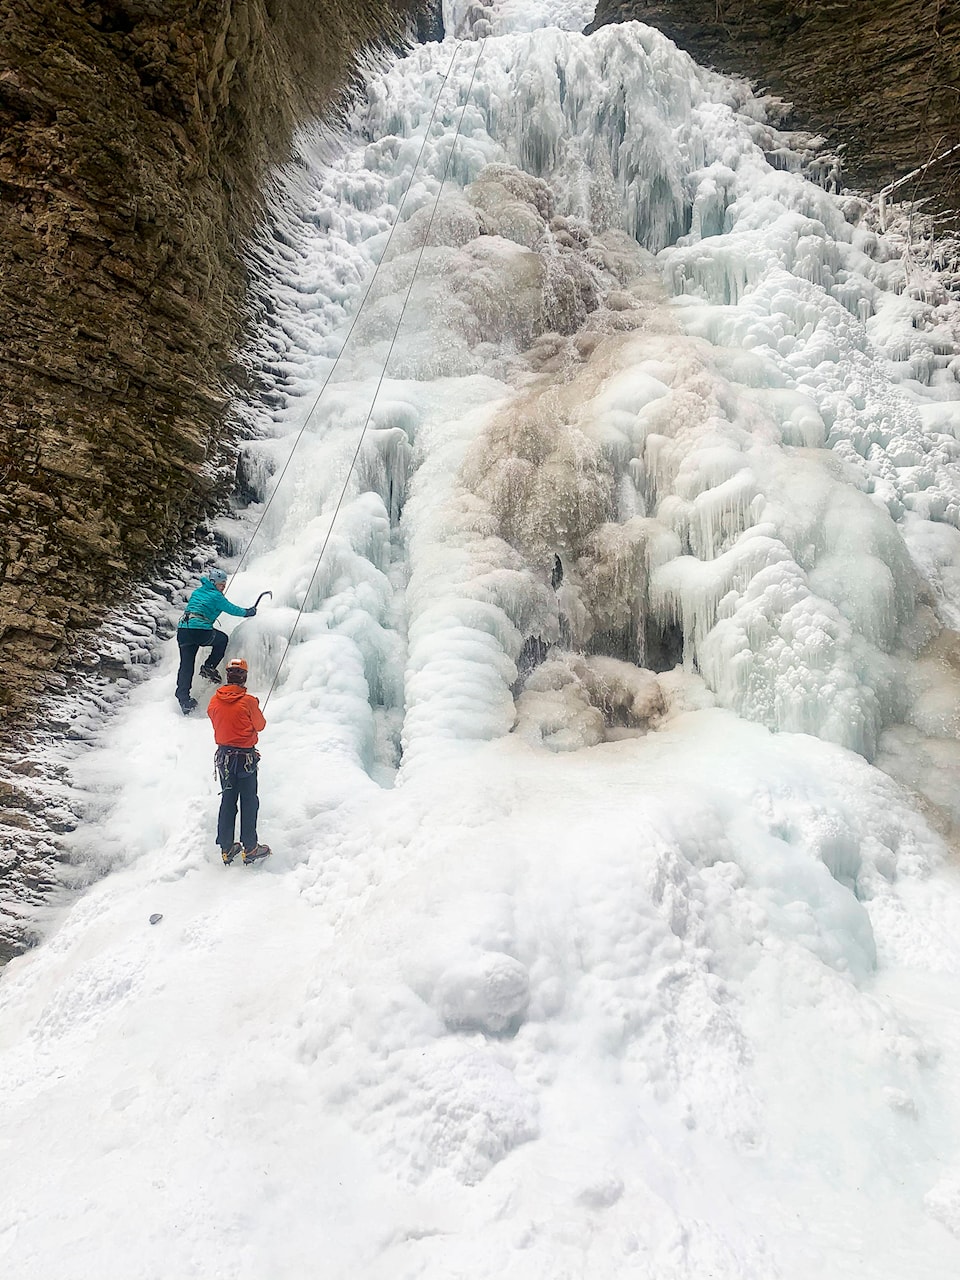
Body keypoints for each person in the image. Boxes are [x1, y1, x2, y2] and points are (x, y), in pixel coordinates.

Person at [207, 657, 271, 865]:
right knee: (249, 801)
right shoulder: (249, 701)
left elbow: (215, 718)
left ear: (228, 676)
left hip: (224, 759)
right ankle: (250, 847)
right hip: (245, 759)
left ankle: (227, 848)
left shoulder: (214, 700)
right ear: (244, 677)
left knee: (228, 800)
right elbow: (260, 725)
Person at [175, 567, 257, 714]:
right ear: (213, 582)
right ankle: (209, 666)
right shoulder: (216, 596)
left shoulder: (198, 592)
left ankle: (184, 699)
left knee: (186, 665)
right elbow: (232, 609)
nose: (223, 587)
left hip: (183, 630)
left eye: (224, 584)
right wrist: (248, 612)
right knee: (222, 639)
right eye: (221, 584)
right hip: (199, 630)